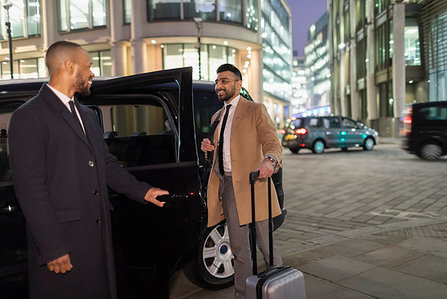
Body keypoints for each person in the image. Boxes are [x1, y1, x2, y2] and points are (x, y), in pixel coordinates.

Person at [8, 41, 169, 299]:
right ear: (69, 67)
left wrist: (143, 191)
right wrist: (52, 247)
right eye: (89, 66)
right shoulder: (28, 117)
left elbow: (105, 164)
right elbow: (30, 190)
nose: (92, 72)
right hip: (63, 244)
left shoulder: (87, 115)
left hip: (96, 239)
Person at [201, 64, 283, 299]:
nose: (219, 86)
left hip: (253, 186)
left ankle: (281, 290)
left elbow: (272, 143)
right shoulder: (217, 116)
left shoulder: (255, 110)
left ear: (238, 84)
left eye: (225, 81)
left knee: (266, 246)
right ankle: (242, 295)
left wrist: (269, 161)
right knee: (239, 250)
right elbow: (225, 150)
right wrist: (209, 148)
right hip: (227, 186)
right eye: (217, 81)